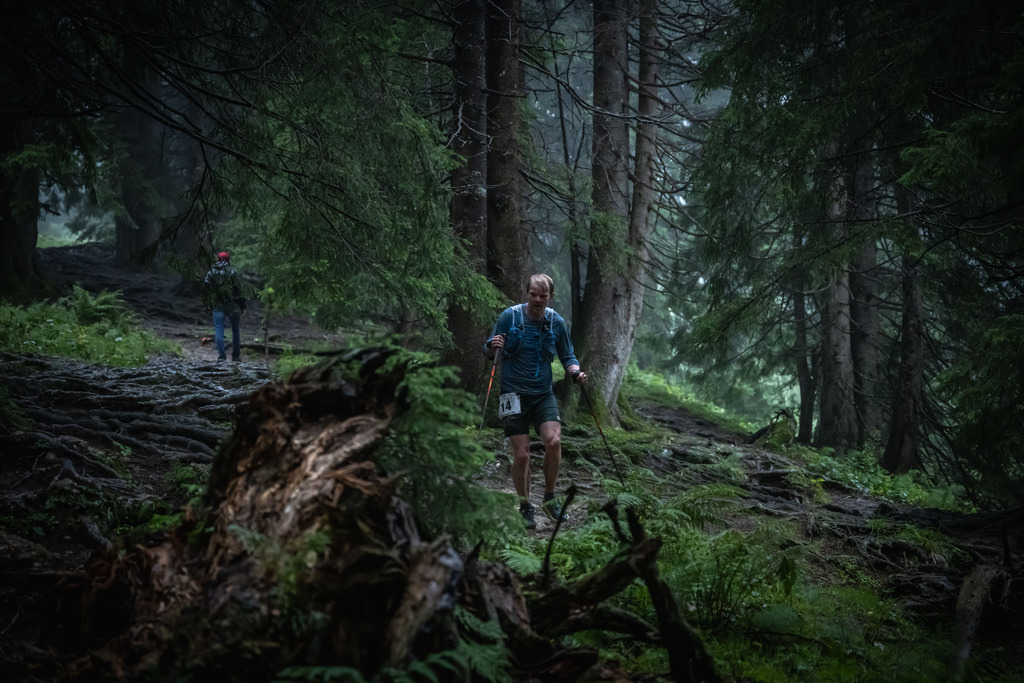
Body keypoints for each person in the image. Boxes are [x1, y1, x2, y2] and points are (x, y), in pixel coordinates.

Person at [485, 273, 587, 529]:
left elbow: (568, 356)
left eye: (543, 296)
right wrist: (492, 345)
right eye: (533, 294)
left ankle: (550, 499)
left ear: (551, 297)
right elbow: (489, 347)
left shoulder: (556, 323)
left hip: (543, 394)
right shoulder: (510, 316)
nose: (538, 300)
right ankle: (524, 506)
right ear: (526, 293)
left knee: (553, 441)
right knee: (521, 456)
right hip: (513, 395)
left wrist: (575, 372)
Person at [203, 251, 247, 362]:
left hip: (217, 304)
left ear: (218, 260)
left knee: (219, 329)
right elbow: (239, 290)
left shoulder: (211, 272)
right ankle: (236, 356)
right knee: (235, 330)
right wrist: (243, 306)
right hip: (233, 305)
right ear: (228, 260)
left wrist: (210, 301)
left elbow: (206, 287)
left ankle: (221, 356)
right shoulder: (233, 272)